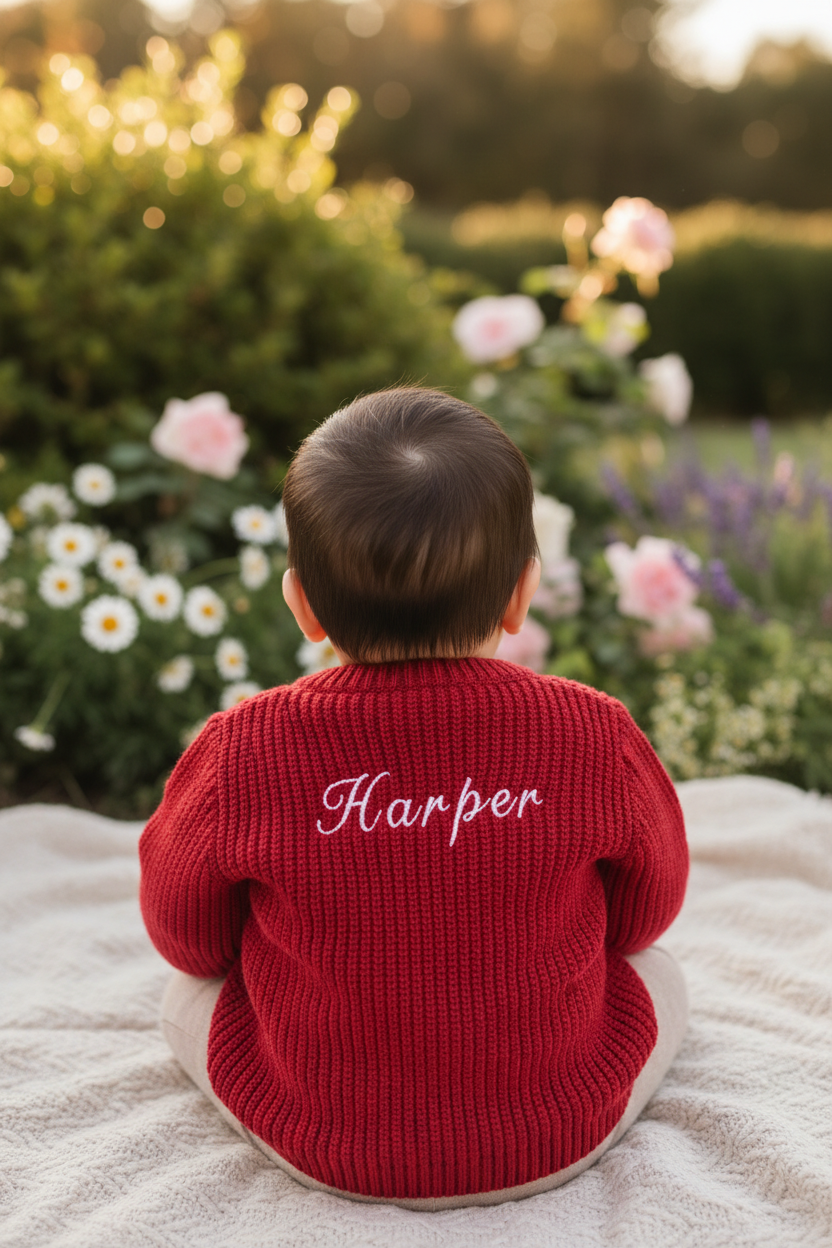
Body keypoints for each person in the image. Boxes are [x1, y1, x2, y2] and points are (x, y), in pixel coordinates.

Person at [139, 386, 689, 1212]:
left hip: (328, 1142)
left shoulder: (242, 751)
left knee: (183, 995)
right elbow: (645, 915)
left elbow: (188, 940)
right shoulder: (591, 732)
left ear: (304, 606)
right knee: (659, 971)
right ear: (521, 594)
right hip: (555, 1131)